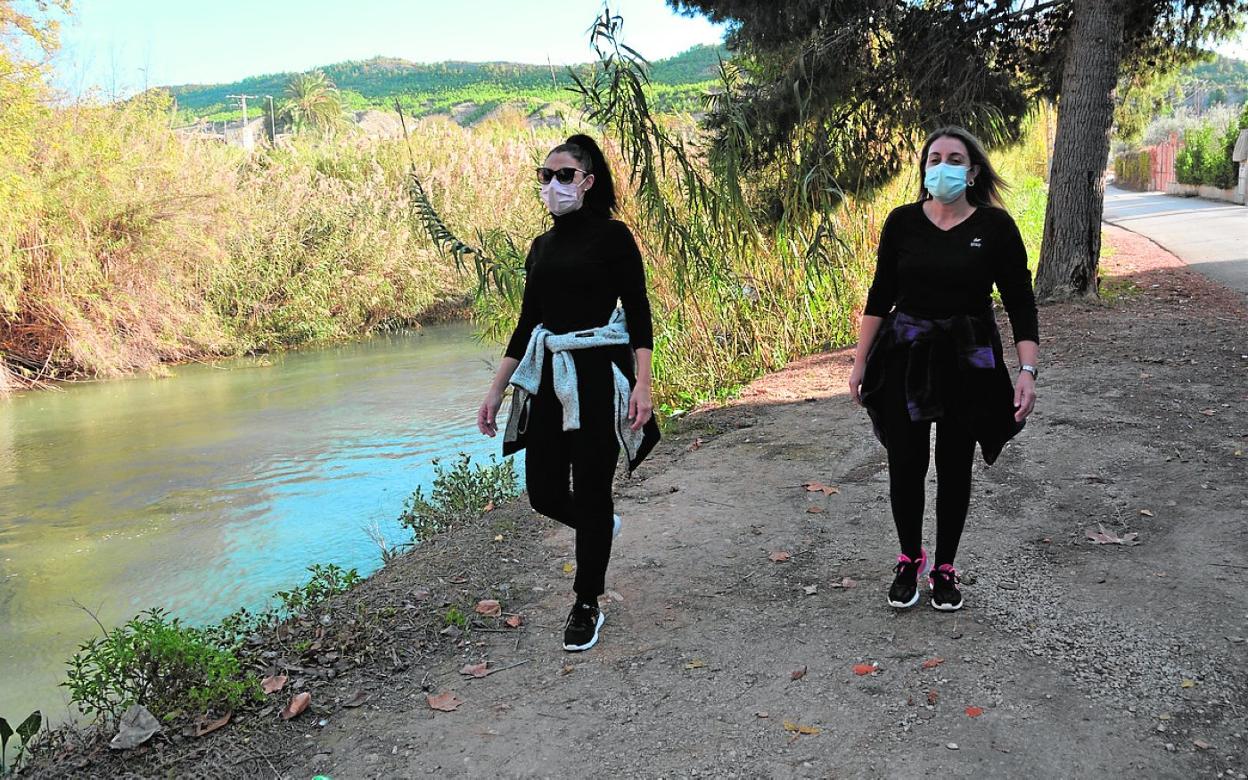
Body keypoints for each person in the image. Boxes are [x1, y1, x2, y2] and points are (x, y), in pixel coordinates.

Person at [477, 134, 660, 651]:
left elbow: (640, 314)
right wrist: (496, 390)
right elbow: (527, 324)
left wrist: (643, 383)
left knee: (594, 488)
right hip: (549, 380)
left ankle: (587, 602)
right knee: (545, 493)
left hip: (599, 376)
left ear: (587, 180)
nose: (552, 184)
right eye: (545, 175)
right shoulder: (541, 247)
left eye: (563, 175)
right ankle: (600, 525)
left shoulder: (613, 238)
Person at [848, 126, 1039, 612]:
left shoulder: (995, 228)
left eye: (954, 159)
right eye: (934, 158)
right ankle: (909, 557)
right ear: (925, 168)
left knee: (955, 463)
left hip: (968, 359)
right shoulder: (902, 223)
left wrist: (1027, 370)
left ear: (973, 171)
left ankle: (945, 567)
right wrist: (859, 362)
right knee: (906, 462)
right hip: (905, 355)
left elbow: (1020, 302)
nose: (942, 167)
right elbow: (879, 296)